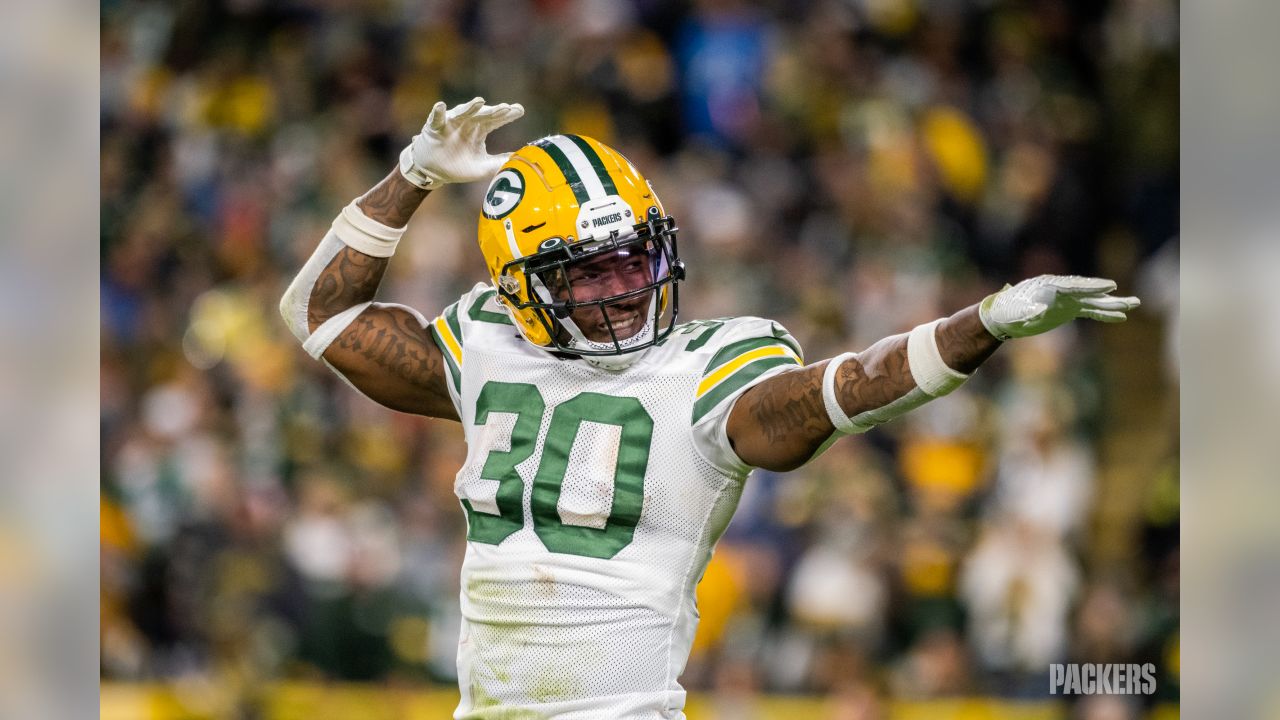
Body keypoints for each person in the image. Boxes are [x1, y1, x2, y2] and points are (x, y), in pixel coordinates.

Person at [279, 98, 1139, 719]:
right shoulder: (485, 342)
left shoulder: (709, 363)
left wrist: (977, 324)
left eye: (634, 259)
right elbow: (314, 315)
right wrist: (414, 175)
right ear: (519, 289)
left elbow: (835, 393)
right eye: (592, 272)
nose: (626, 288)